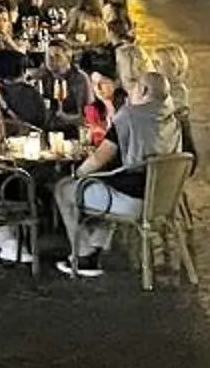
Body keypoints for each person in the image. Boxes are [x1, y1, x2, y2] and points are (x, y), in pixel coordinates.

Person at [55, 70, 167, 276]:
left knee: (64, 189)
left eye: (135, 86)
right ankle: (95, 247)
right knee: (104, 186)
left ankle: (83, 254)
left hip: (132, 201)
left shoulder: (130, 115)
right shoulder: (171, 117)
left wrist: (77, 174)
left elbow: (100, 158)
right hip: (163, 198)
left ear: (143, 90)